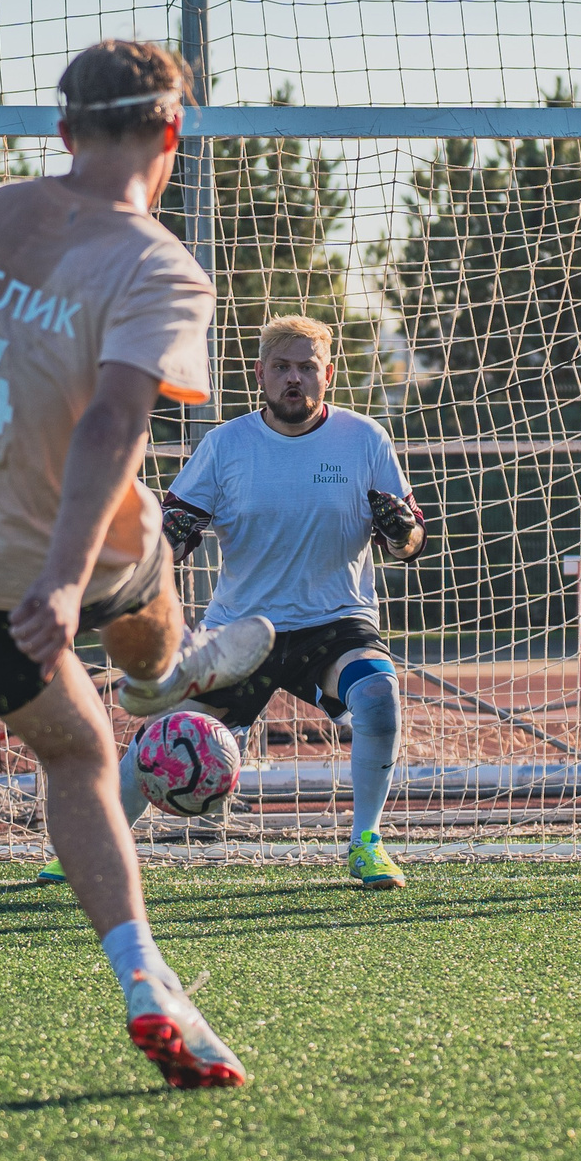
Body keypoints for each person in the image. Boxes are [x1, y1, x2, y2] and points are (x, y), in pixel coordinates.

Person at [0, 38, 275, 1089]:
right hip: (69, 551)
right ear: (172, 132)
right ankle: (161, 679)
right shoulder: (158, 266)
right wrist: (63, 577)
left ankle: (145, 977)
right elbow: (115, 421)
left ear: (62, 129)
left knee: (79, 755)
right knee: (151, 590)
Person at [121, 314, 428, 890]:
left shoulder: (365, 439)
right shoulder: (225, 445)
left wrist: (400, 531)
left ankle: (367, 843)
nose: (295, 379)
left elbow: (410, 540)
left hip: (336, 624)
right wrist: (169, 538)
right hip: (242, 632)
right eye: (282, 367)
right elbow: (171, 535)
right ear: (259, 374)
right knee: (167, 735)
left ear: (328, 375)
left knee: (379, 697)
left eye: (307, 367)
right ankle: (96, 847)